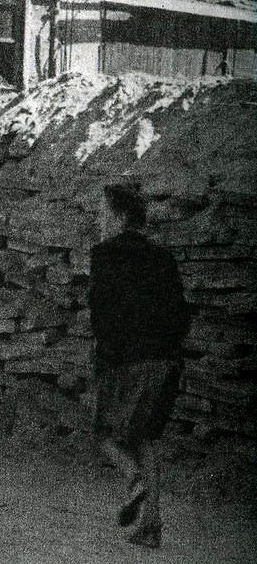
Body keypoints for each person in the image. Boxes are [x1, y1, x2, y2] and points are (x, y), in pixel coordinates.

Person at [89, 182, 190, 549]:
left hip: (128, 360)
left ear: (117, 215)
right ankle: (151, 525)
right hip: (165, 358)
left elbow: (102, 312)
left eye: (102, 212)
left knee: (105, 435)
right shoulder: (162, 257)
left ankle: (135, 481)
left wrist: (106, 356)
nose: (98, 219)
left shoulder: (105, 254)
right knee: (146, 437)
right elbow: (180, 311)